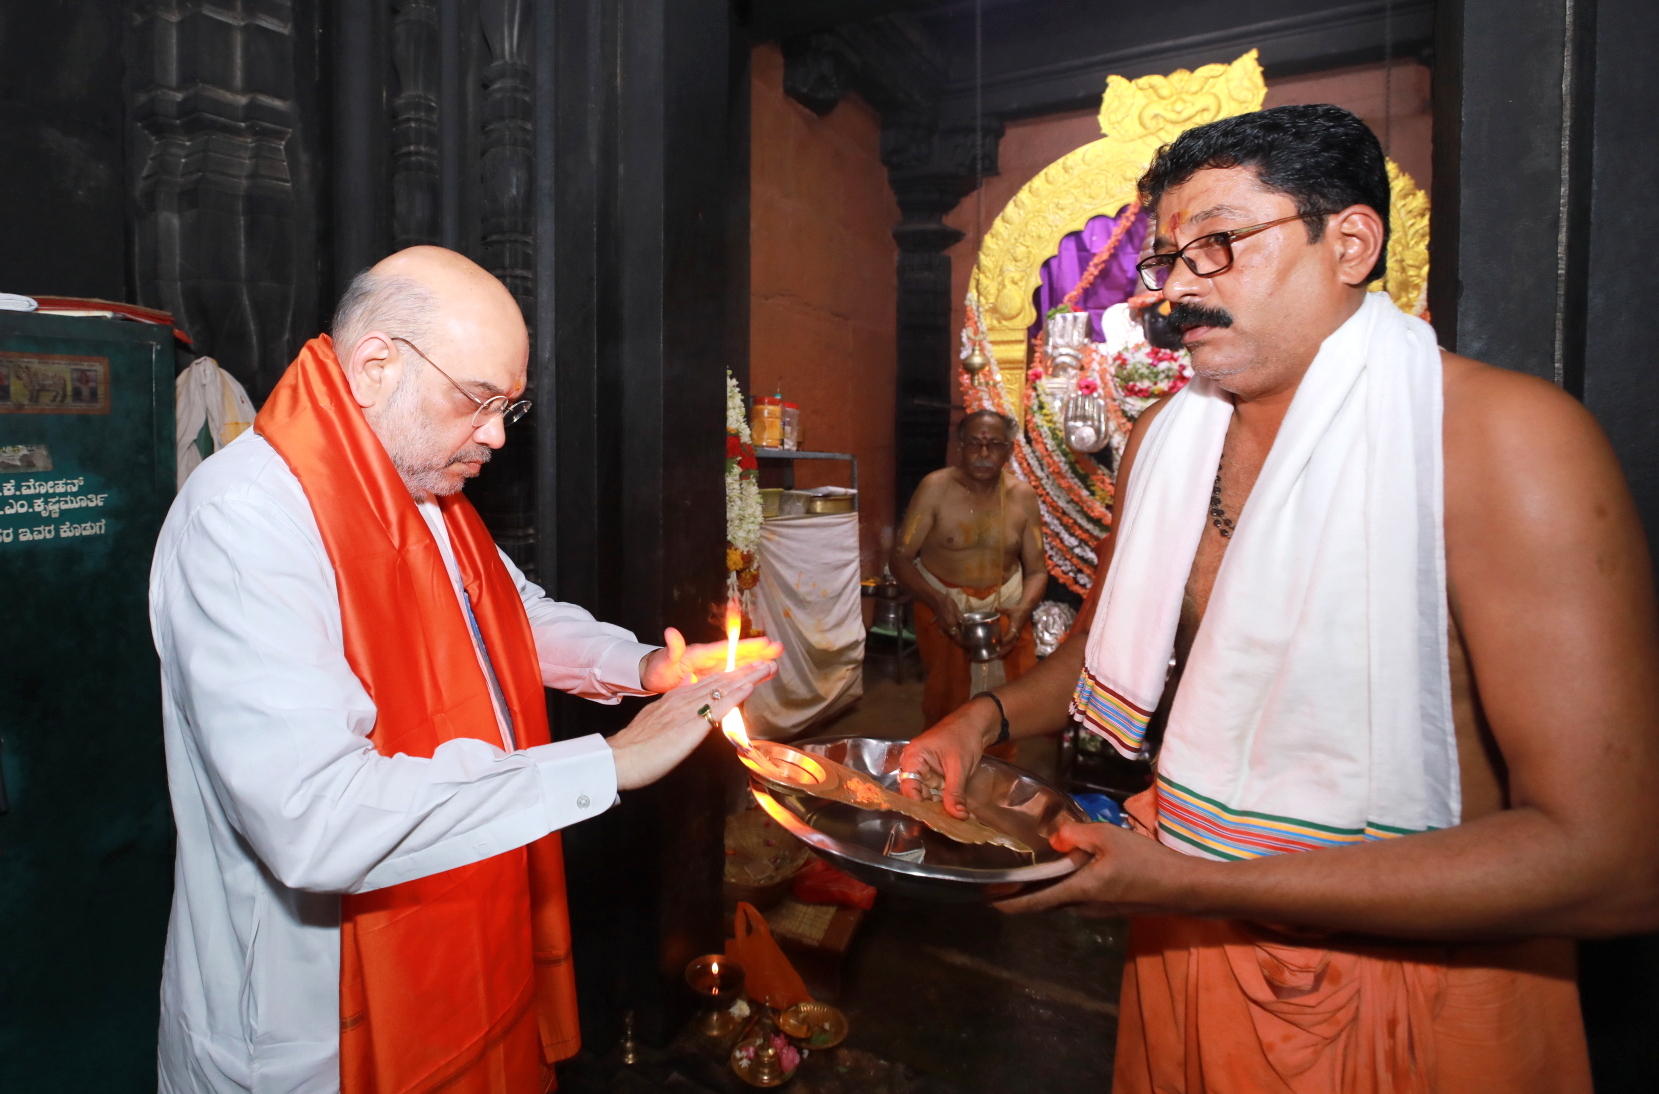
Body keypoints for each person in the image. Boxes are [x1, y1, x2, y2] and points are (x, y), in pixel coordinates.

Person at [899, 105, 1659, 1093]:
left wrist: (1204, 883)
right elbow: (1098, 647)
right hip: (1183, 942)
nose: (1177, 288)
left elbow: (1614, 861)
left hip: (1412, 993)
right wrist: (981, 716)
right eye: (1168, 257)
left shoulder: (1505, 443)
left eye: (1218, 245)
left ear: (1350, 241)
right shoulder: (1162, 443)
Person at [150, 246, 779, 1094]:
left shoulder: (423, 495)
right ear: (376, 365)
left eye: (508, 408)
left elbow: (512, 620)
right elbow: (315, 820)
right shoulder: (246, 520)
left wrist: (643, 667)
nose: (493, 434)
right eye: (477, 401)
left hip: (461, 924)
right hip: (313, 1013)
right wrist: (610, 761)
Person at [890, 409, 1046, 746]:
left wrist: (1023, 611)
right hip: (943, 607)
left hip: (1004, 610)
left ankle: (998, 774)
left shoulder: (1022, 497)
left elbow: (1037, 571)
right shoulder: (935, 488)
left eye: (995, 445)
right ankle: (938, 772)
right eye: (975, 444)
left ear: (1009, 450)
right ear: (960, 446)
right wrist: (937, 600)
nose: (984, 454)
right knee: (946, 702)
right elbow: (901, 558)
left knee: (1007, 707)